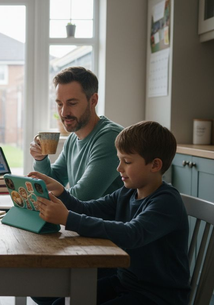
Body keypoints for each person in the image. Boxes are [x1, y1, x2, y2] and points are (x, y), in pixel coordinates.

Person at [29, 121, 190, 305]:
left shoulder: (166, 202)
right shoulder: (127, 192)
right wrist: (62, 193)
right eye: (119, 159)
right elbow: (87, 208)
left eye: (127, 161)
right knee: (60, 303)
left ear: (154, 165)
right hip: (126, 283)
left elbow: (131, 234)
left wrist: (67, 218)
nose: (119, 168)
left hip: (158, 296)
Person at [30, 66, 123, 201]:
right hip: (81, 219)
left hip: (103, 221)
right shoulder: (73, 138)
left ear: (93, 101)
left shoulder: (111, 138)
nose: (63, 112)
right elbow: (52, 182)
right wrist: (40, 159)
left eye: (72, 103)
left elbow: (82, 196)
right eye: (60, 104)